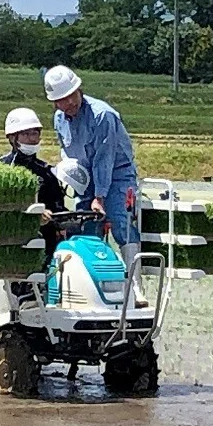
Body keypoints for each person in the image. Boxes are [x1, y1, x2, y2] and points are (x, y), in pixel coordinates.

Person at [43, 65, 147, 304]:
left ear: (79, 89)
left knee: (121, 223)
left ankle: (135, 287)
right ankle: (93, 287)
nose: (68, 103)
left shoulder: (102, 115)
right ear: (54, 102)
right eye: (61, 100)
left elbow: (105, 158)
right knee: (85, 227)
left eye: (71, 95)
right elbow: (67, 153)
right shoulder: (59, 119)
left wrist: (99, 197)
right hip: (85, 177)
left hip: (118, 174)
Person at [0, 107, 67, 264]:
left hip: (47, 242)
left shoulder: (46, 171)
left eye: (35, 133)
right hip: (13, 243)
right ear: (12, 138)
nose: (31, 138)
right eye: (26, 134)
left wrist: (58, 218)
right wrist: (33, 216)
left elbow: (58, 206)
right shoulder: (2, 168)